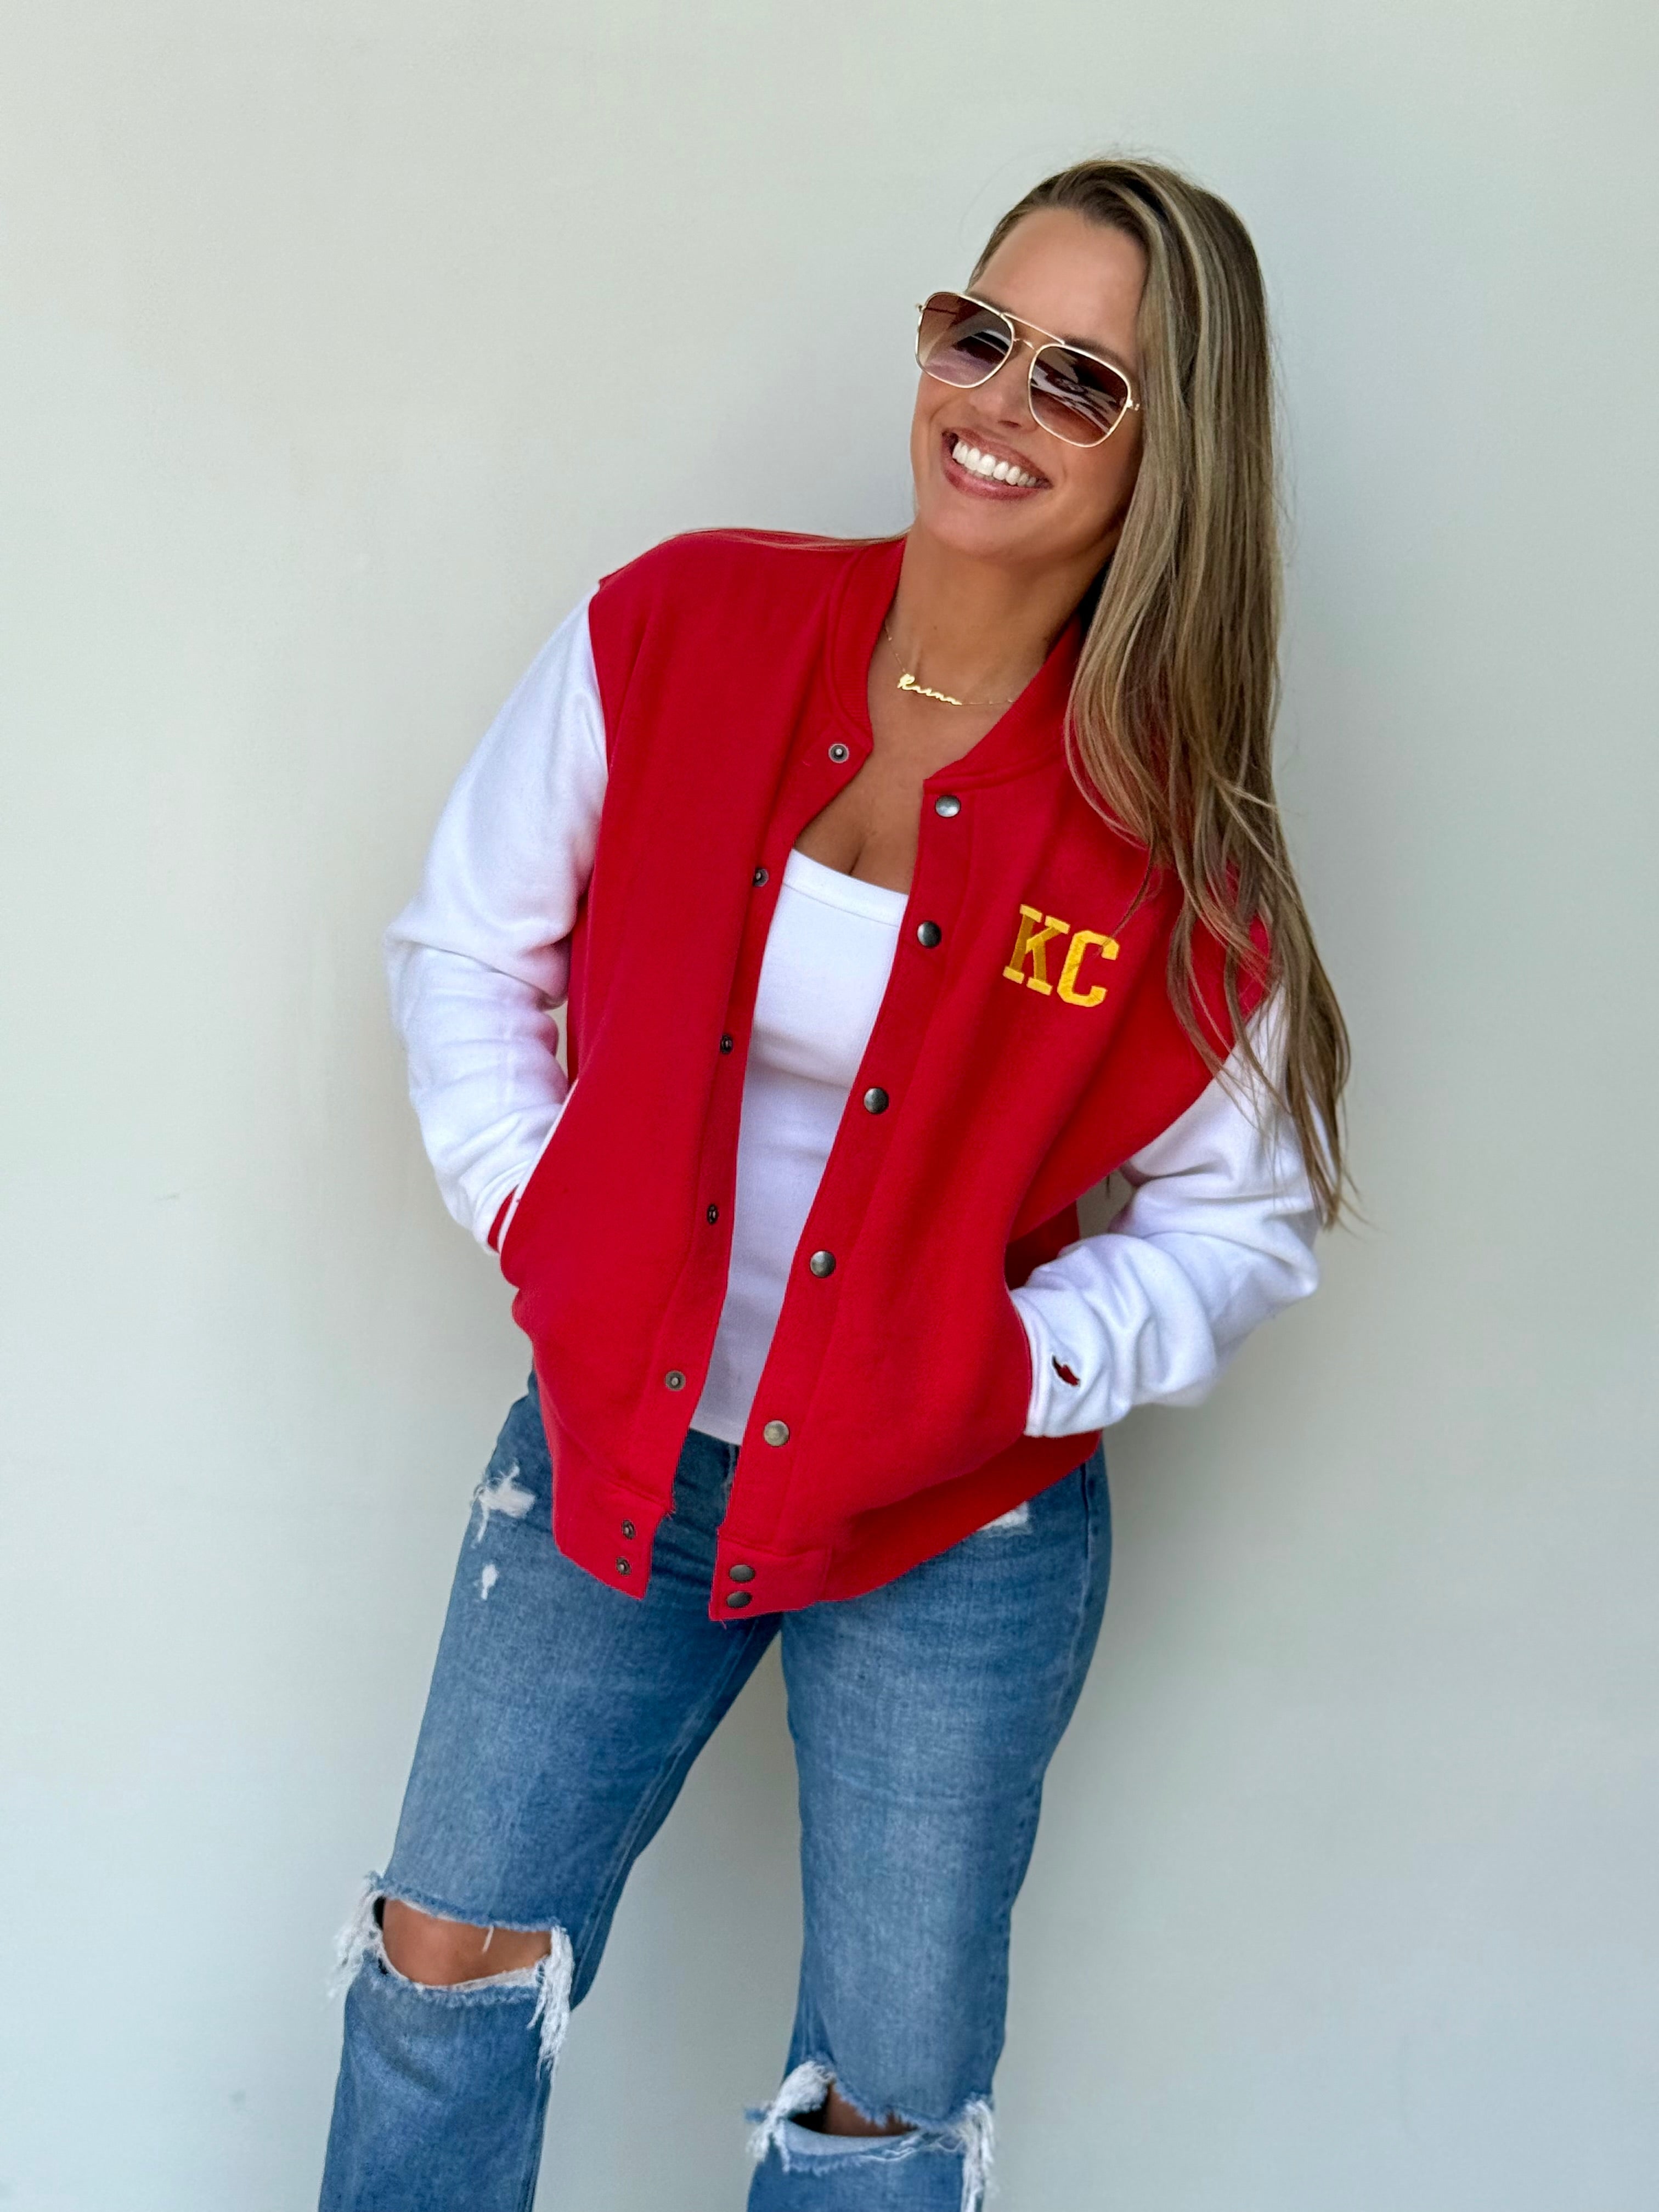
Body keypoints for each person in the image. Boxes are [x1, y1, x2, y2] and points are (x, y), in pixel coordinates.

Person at [319, 154, 1349, 2212]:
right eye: (980, 335)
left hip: (952, 1529)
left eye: (1082, 380)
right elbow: (467, 947)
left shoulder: (1169, 839)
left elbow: (1245, 1221)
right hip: (618, 1446)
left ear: (1175, 454)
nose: (1000, 404)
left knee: (879, 2100)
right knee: (443, 1967)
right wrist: (541, 1214)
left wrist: (997, 1369)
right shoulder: (686, 623)